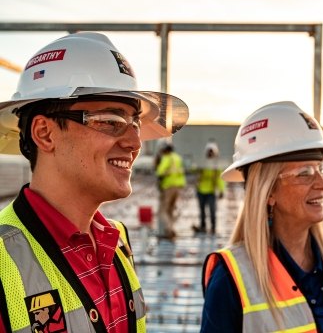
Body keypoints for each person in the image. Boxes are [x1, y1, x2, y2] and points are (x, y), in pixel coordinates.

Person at [0, 32, 189, 333]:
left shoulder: (118, 242)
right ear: (45, 134)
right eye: (110, 121)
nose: (134, 142)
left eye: (135, 124)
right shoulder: (3, 261)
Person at [201, 101, 323, 332]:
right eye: (304, 173)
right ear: (269, 191)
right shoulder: (231, 279)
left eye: (320, 169)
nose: (322, 184)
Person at [192, 140, 225, 235]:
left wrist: (221, 190)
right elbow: (194, 170)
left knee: (212, 211)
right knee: (202, 211)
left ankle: (213, 228)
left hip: (211, 191)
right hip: (201, 190)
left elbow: (220, 179)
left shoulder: (216, 165)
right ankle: (203, 227)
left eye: (212, 152)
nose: (210, 154)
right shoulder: (202, 162)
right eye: (209, 152)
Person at [155, 142, 186, 240]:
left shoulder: (166, 158)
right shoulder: (177, 158)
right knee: (170, 210)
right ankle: (171, 228)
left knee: (163, 210)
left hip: (168, 186)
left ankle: (169, 229)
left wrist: (157, 166)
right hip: (178, 186)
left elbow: (160, 171)